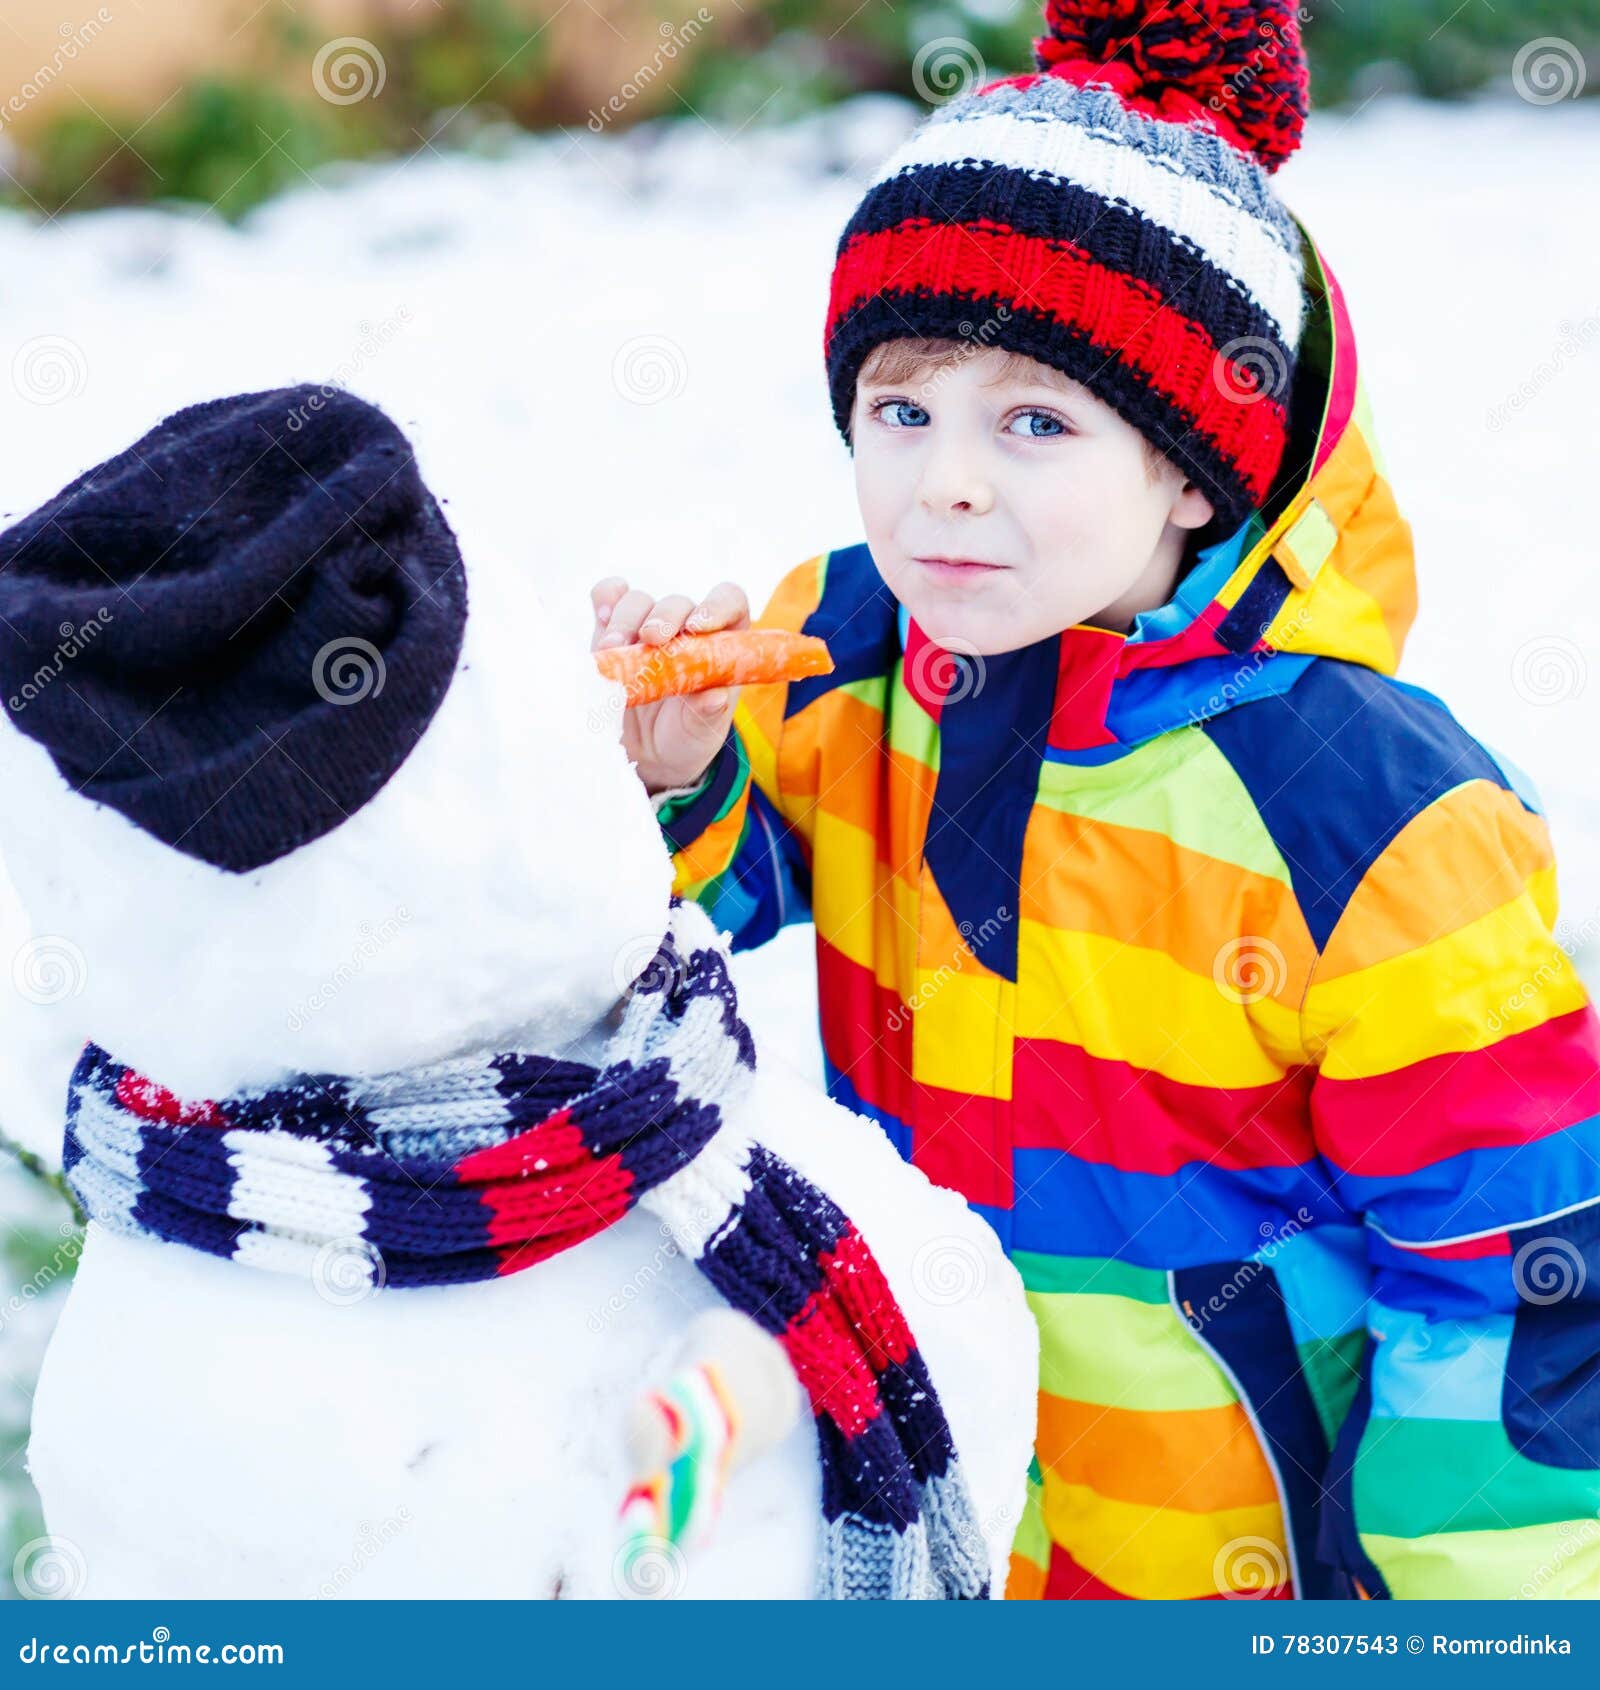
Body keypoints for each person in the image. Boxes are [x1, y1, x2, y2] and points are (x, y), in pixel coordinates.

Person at [595, 0, 1600, 1599]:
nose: (947, 484)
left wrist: (1460, 1608)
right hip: (945, 1493)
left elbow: (1508, 1264)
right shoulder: (850, 648)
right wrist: (678, 774)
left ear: (1196, 469)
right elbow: (716, 903)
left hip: (1238, 1559)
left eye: (1036, 423)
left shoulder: (1370, 816)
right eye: (901, 410)